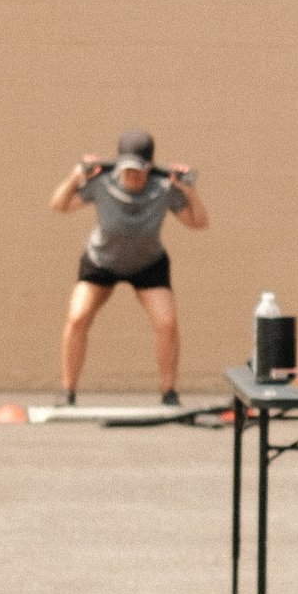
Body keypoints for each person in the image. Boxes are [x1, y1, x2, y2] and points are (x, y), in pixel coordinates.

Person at [49, 134, 208, 404]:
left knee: (167, 324)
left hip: (148, 264)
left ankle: (169, 393)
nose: (131, 176)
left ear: (149, 168)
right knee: (77, 318)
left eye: (138, 171)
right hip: (101, 261)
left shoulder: (163, 188)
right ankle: (68, 392)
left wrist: (190, 191)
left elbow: (198, 223)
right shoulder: (101, 183)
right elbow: (58, 205)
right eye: (127, 170)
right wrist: (75, 176)